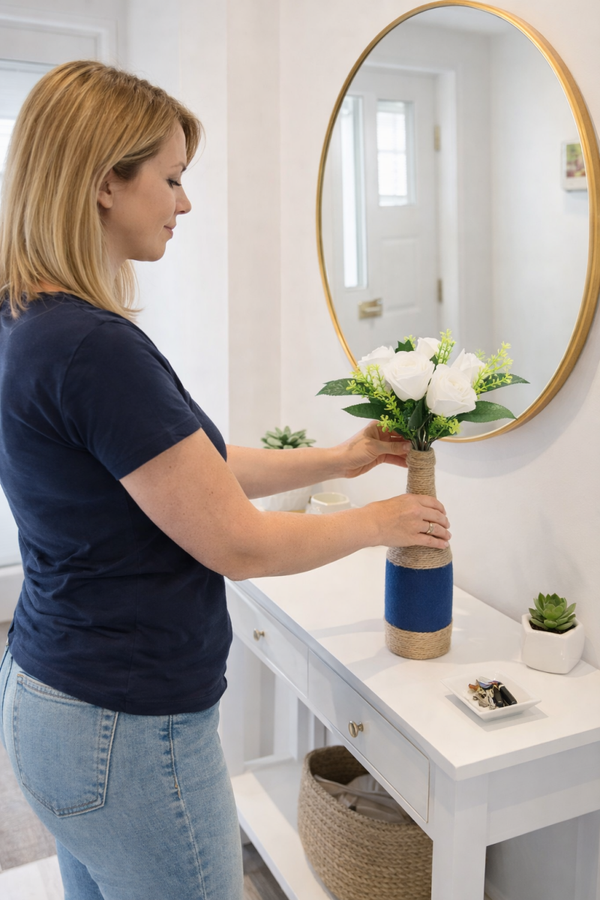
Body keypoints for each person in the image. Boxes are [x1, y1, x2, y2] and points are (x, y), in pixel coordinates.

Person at [0, 61, 450, 900]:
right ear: (104, 183)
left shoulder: (28, 319)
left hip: (50, 693)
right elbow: (238, 543)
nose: (185, 202)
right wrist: (383, 522)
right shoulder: (95, 349)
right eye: (171, 179)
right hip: (123, 728)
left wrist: (339, 460)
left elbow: (188, 470)